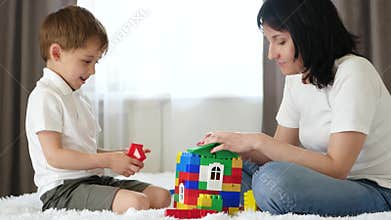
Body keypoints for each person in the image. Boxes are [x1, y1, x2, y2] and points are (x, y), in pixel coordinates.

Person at [198, 0, 391, 216]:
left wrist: (257, 140)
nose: (271, 54)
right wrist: (238, 148)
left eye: (280, 42)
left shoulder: (354, 73)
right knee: (224, 169)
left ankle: (265, 197)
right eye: (269, 42)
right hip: (322, 181)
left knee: (273, 180)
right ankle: (257, 197)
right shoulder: (297, 78)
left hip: (375, 188)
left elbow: (337, 168)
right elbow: (278, 150)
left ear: (309, 35)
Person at [25, 5, 170, 213]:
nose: (92, 71)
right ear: (56, 53)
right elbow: (55, 156)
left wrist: (120, 155)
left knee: (161, 196)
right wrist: (109, 160)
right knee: (137, 202)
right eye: (86, 61)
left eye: (96, 62)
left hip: (92, 180)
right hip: (62, 190)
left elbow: (86, 151)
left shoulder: (77, 97)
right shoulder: (45, 96)